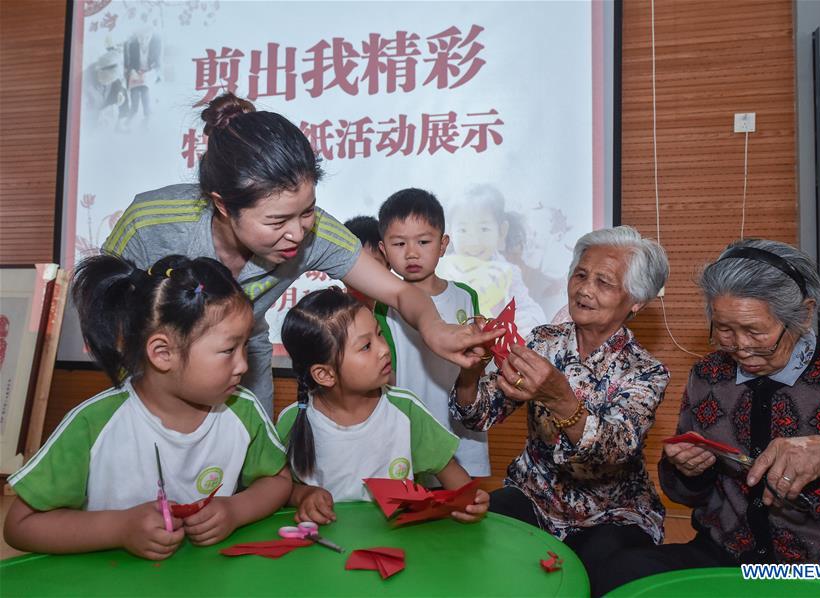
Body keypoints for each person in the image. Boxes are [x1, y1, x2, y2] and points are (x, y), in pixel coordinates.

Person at [101, 93, 500, 416]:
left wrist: (434, 328)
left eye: (307, 211)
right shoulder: (150, 223)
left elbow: (398, 293)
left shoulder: (314, 233)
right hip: (154, 372)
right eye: (276, 221)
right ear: (223, 206)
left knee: (247, 475)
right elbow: (105, 312)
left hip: (243, 361)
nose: (297, 232)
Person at [600, 239, 820, 592]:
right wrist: (689, 471)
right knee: (620, 574)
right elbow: (684, 495)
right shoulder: (709, 376)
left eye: (755, 331)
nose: (739, 346)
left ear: (802, 315)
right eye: (724, 330)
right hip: (729, 558)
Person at [3, 255, 291, 560]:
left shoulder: (242, 411)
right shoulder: (93, 423)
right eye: (229, 350)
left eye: (246, 346)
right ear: (162, 352)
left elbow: (279, 480)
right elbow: (20, 526)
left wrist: (235, 510)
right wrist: (120, 529)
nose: (243, 365)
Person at [452, 226, 671, 595]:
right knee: (472, 551)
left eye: (604, 282)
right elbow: (480, 414)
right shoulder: (543, 341)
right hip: (532, 496)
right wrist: (471, 374)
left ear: (636, 302)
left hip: (609, 514)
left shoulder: (646, 372)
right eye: (581, 275)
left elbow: (614, 450)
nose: (585, 289)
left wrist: (560, 398)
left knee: (599, 579)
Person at [274, 287, 489, 524]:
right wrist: (303, 494)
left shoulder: (405, 411)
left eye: (379, 334)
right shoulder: (291, 421)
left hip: (398, 549)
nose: (384, 349)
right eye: (366, 346)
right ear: (324, 374)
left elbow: (458, 485)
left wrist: (472, 502)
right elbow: (278, 489)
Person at [373, 189, 490, 485]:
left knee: (465, 509)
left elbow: (477, 363)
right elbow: (387, 377)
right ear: (384, 250)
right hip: (412, 429)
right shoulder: (384, 306)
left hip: (461, 427)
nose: (411, 253)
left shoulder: (466, 296)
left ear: (443, 244)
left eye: (423, 242)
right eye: (399, 243)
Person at [438, 184, 546, 334]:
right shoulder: (442, 270)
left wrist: (528, 320)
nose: (474, 241)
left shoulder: (509, 273)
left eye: (484, 229)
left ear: (501, 231)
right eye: (463, 230)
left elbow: (528, 308)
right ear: (450, 233)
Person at [343, 215, 388, 309]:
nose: (363, 275)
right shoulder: (329, 313)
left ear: (389, 265)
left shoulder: (398, 311)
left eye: (373, 265)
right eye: (354, 264)